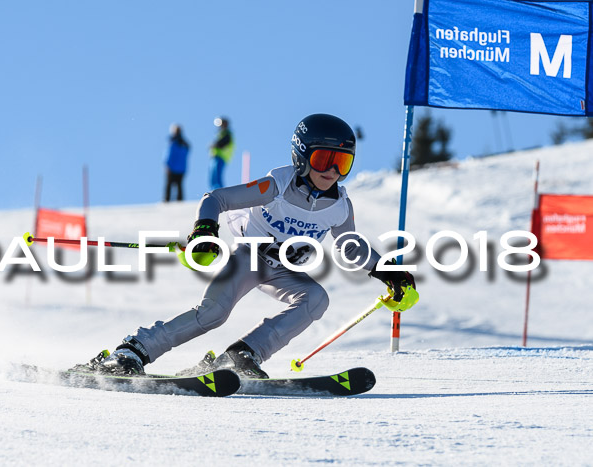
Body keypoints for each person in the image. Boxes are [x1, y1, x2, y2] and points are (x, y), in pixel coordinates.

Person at [80, 114, 416, 379]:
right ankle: (133, 351)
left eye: (341, 163)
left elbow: (350, 246)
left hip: (284, 271)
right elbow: (217, 198)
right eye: (323, 159)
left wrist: (388, 271)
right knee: (213, 313)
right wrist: (205, 230)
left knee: (316, 298)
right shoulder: (277, 186)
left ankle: (242, 355)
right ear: (302, 155)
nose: (330, 171)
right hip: (249, 259)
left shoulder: (340, 206)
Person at [164, 124, 189, 202]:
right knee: (178, 185)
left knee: (170, 184)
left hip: (173, 167)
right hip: (181, 168)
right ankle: (179, 200)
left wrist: (167, 164)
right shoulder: (184, 143)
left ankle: (167, 200)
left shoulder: (173, 142)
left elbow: (169, 154)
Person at [209, 117, 234, 190]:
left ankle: (219, 191)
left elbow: (224, 143)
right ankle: (214, 191)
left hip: (221, 157)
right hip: (216, 157)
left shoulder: (227, 133)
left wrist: (215, 144)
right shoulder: (221, 134)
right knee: (213, 177)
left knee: (217, 176)